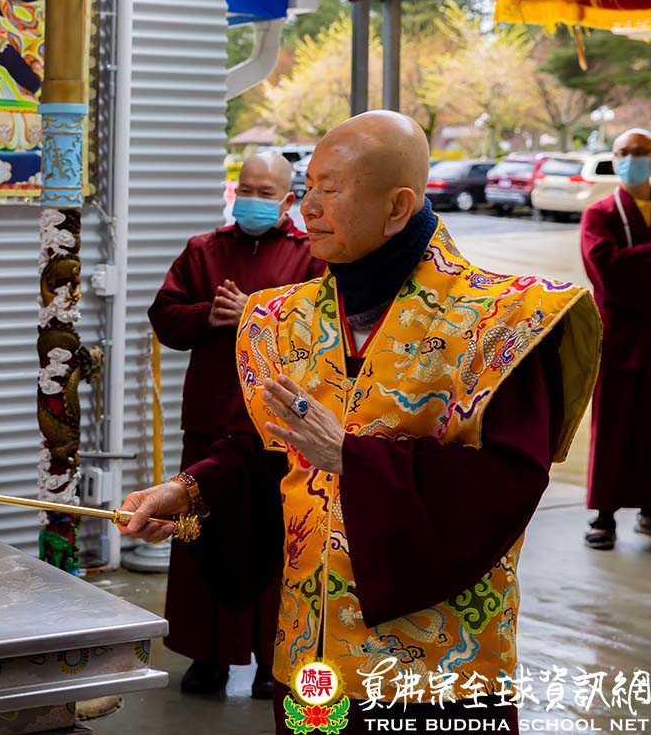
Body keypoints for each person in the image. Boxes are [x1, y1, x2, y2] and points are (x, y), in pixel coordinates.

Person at [121, 111, 600, 730]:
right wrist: (190, 490)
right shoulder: (279, 319)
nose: (308, 207)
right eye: (308, 187)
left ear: (398, 207)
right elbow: (260, 452)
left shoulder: (500, 323)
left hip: (436, 670)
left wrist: (350, 458)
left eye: (330, 189)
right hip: (310, 654)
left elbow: (506, 483)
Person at [148, 151, 323, 699]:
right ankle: (209, 657)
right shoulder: (203, 251)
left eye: (265, 193)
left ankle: (275, 660)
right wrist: (208, 314)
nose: (252, 199)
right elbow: (164, 318)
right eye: (245, 189)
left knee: (280, 540)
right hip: (209, 418)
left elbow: (322, 330)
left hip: (278, 427)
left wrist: (258, 316)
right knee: (200, 533)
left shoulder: (311, 257)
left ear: (288, 200)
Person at [580, 128, 651, 549]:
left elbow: (628, 266)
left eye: (641, 151)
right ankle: (603, 514)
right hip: (621, 336)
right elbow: (609, 273)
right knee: (613, 425)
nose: (631, 159)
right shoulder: (601, 213)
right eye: (623, 152)